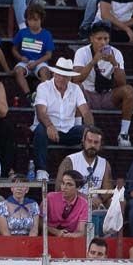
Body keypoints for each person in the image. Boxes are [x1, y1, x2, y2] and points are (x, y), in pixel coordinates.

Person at [32, 57, 94, 185]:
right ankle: (41, 170)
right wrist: (50, 126)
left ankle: (87, 170)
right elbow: (40, 112)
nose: (62, 79)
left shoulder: (75, 89)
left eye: (65, 76)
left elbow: (86, 111)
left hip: (68, 130)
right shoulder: (43, 87)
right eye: (59, 75)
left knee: (88, 134)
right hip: (48, 128)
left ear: (70, 77)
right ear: (54, 74)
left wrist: (90, 129)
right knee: (40, 130)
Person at [72, 23, 133, 147]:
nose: (103, 43)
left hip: (107, 96)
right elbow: (76, 79)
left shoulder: (116, 53)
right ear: (91, 39)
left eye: (106, 39)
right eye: (99, 39)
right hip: (87, 96)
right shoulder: (82, 52)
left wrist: (114, 64)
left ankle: (123, 134)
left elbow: (122, 83)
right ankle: (78, 130)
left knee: (129, 90)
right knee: (76, 88)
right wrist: (94, 61)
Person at [57, 126, 113, 211]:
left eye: (96, 142)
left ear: (101, 144)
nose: (92, 145)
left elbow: (108, 189)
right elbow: (59, 188)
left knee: (118, 202)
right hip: (75, 200)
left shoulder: (104, 163)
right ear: (83, 141)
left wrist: (100, 200)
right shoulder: (70, 160)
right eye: (89, 141)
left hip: (96, 202)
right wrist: (85, 198)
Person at [11, 3, 54, 100]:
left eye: (36, 20)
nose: (32, 23)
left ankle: (44, 97)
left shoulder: (46, 34)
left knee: (45, 71)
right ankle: (28, 95)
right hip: (24, 62)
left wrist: (36, 63)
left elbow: (48, 55)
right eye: (30, 20)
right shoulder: (22, 33)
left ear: (41, 20)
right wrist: (20, 57)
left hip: (40, 62)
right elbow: (14, 49)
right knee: (18, 71)